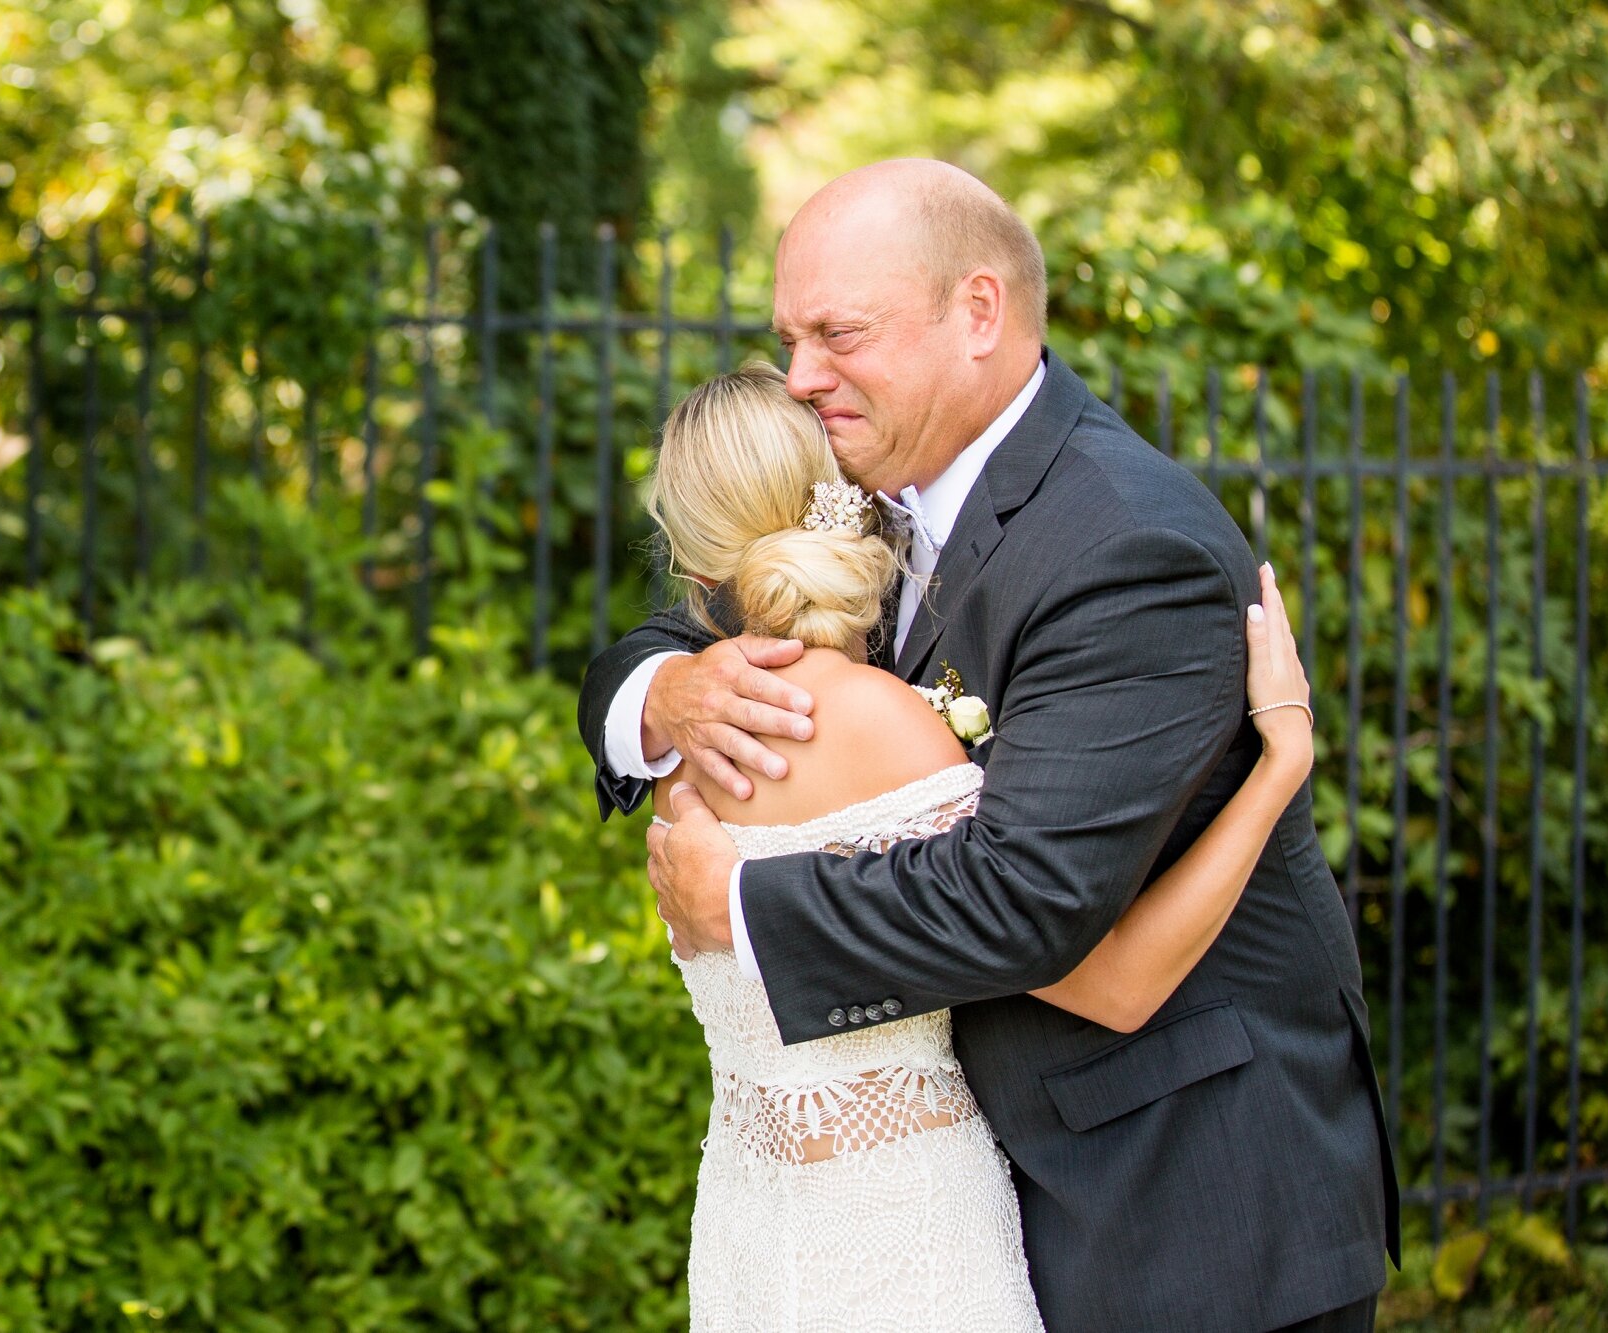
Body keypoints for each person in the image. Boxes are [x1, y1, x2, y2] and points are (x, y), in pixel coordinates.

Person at [577, 160, 1396, 1333]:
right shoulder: (855, 497)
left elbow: (1028, 900)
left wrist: (744, 903)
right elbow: (668, 631)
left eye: (836, 334)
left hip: (1178, 1214)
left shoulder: (1124, 547)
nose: (801, 377)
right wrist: (668, 696)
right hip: (942, 1212)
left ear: (977, 314)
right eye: (788, 338)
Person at [639, 362, 1317, 1329]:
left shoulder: (681, 749)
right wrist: (1279, 766)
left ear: (692, 562)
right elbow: (1111, 983)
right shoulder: (880, 724)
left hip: (749, 1227)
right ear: (849, 502)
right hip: (906, 1233)